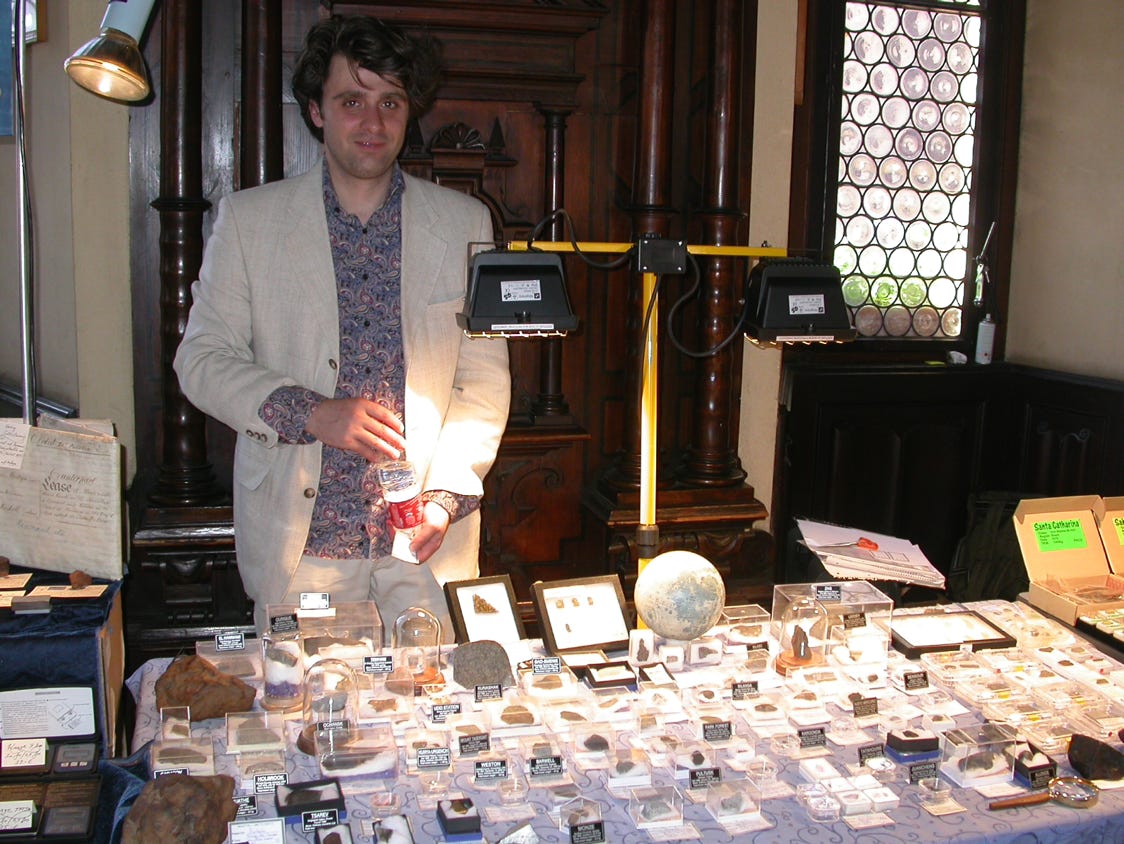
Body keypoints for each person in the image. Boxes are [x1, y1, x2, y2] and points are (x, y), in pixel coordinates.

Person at [174, 15, 510, 639]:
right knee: (308, 702)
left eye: (390, 102)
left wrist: (445, 498)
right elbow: (201, 359)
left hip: (426, 543)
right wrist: (310, 412)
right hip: (303, 546)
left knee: (433, 696)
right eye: (352, 101)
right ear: (316, 110)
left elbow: (482, 379)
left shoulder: (466, 223)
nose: (373, 122)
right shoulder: (249, 222)